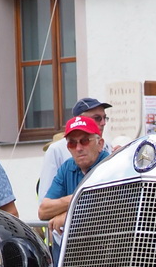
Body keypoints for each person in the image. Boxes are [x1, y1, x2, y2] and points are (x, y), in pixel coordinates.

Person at [38, 114, 108, 243]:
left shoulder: (110, 165)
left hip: (108, 247)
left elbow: (110, 207)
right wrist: (76, 198)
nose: (79, 148)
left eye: (85, 141)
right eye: (72, 143)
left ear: (100, 144)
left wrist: (69, 216)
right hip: (73, 249)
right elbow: (44, 210)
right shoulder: (67, 167)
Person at [36, 96, 114, 194]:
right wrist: (79, 198)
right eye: (97, 118)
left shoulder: (108, 146)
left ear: (100, 144)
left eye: (104, 118)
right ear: (80, 120)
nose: (103, 123)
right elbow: (46, 195)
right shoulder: (56, 150)